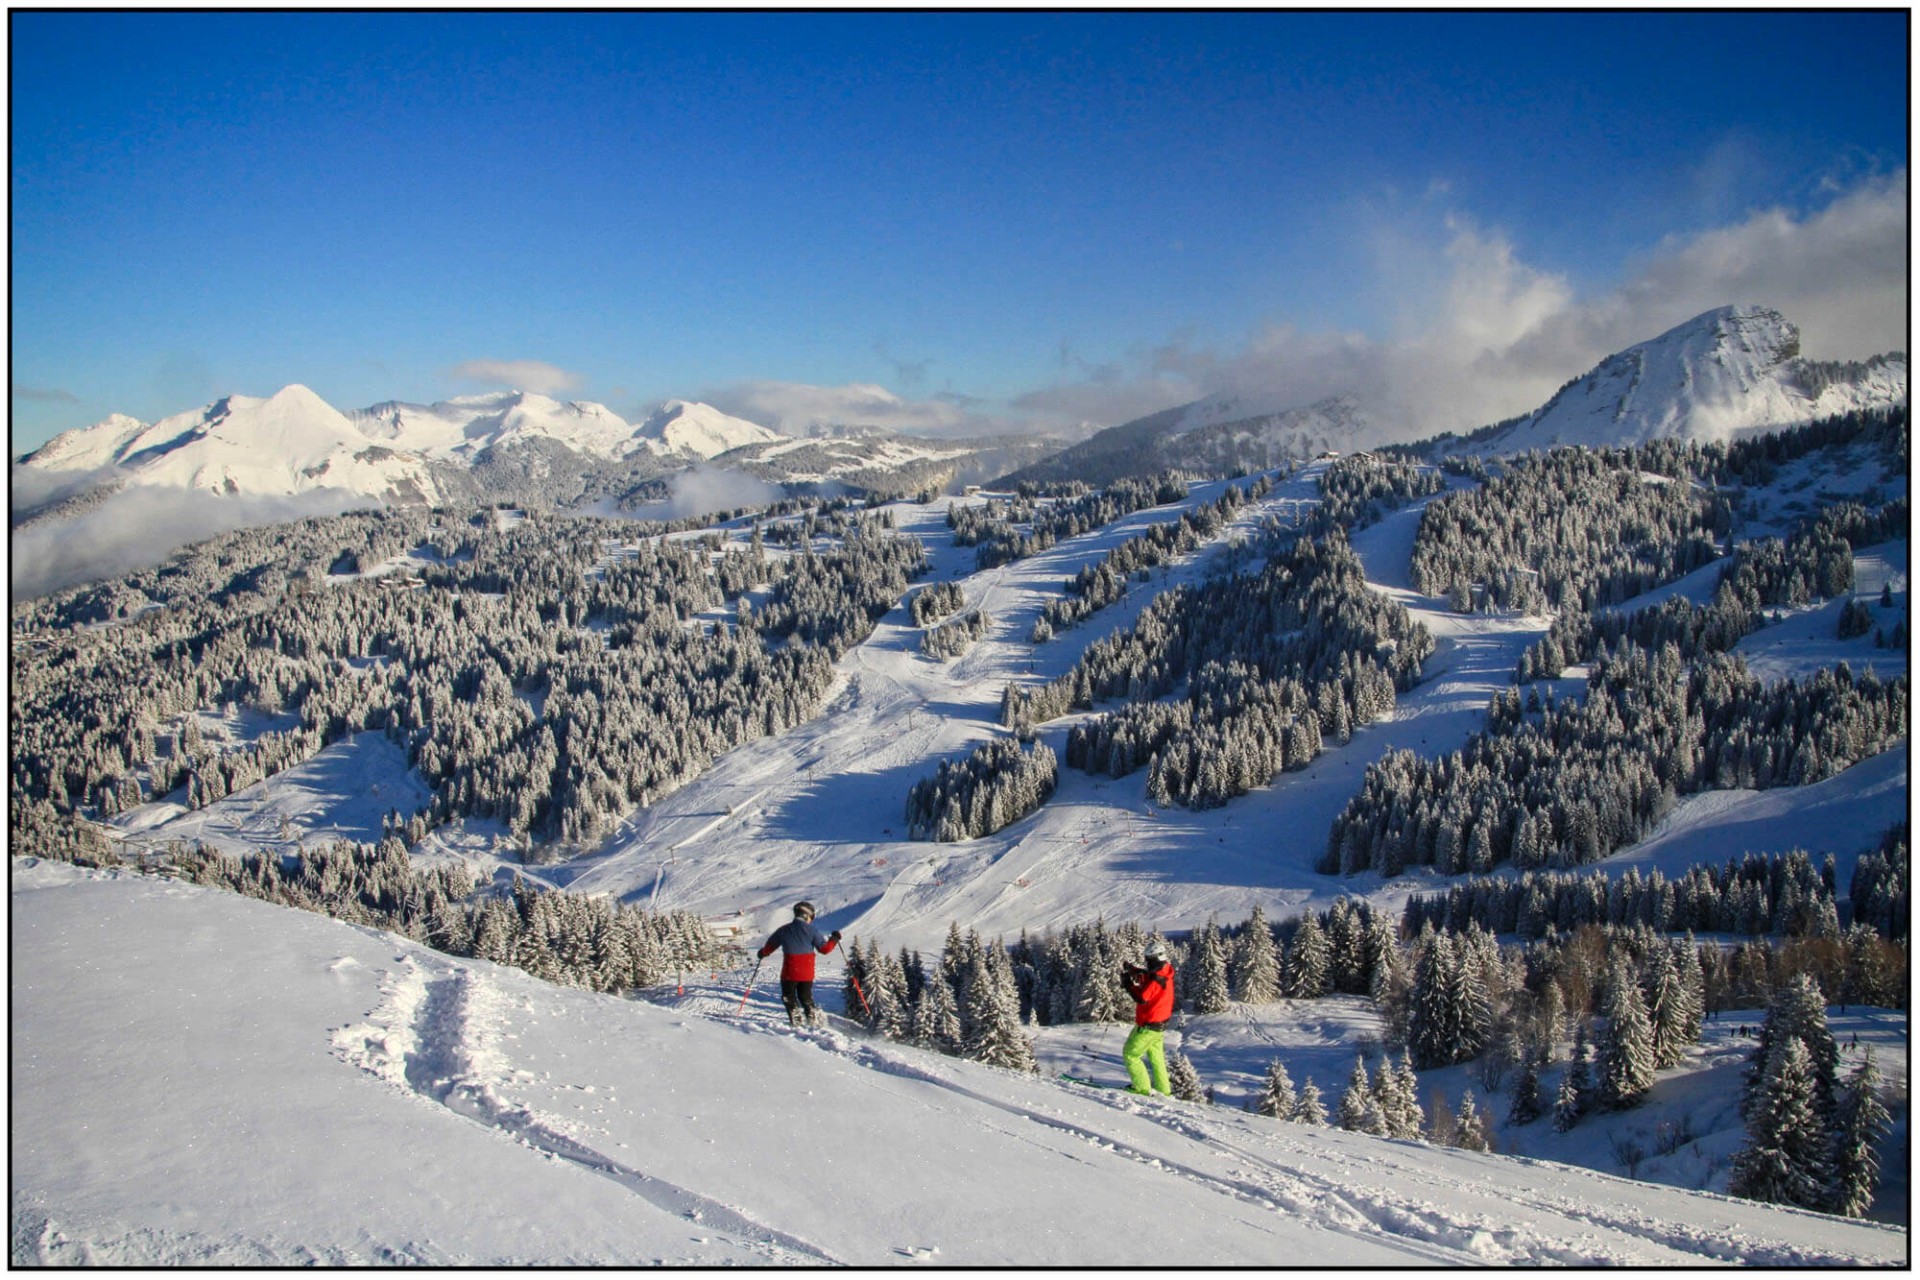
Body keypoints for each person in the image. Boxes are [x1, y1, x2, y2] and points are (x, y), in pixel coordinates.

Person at [758, 901, 840, 1027]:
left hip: (789, 973)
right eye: (811, 918)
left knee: (789, 998)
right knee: (806, 998)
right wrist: (834, 939)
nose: (811, 921)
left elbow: (769, 947)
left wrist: (762, 953)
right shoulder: (812, 931)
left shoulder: (783, 930)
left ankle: (796, 1023)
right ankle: (814, 1022)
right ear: (807, 916)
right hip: (806, 974)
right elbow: (825, 949)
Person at [1120, 941, 1175, 1096]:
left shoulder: (1158, 978)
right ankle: (1164, 1091)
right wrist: (1131, 970)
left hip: (1148, 1025)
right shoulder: (1164, 971)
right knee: (1156, 1058)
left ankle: (1141, 1089)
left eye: (1150, 959)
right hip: (1159, 1025)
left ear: (1158, 958)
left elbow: (1142, 997)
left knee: (1131, 1054)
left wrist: (1128, 984)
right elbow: (1145, 975)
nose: (1147, 962)